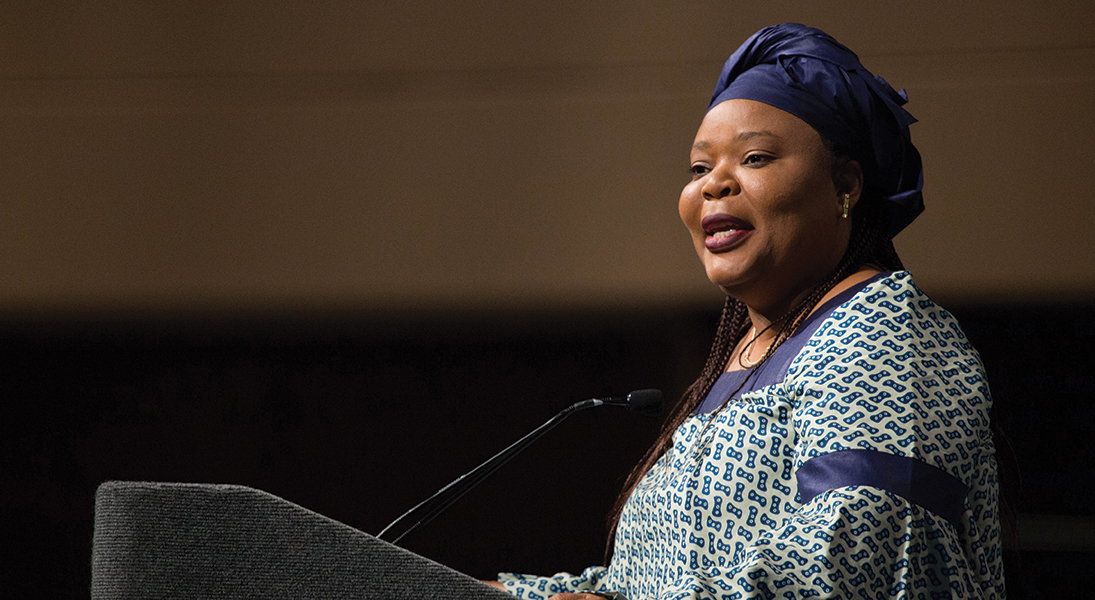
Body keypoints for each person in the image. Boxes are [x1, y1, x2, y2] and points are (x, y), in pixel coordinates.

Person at [488, 23, 1005, 599]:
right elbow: (642, 584)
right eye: (698, 169)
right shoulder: (740, 363)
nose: (713, 185)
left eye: (754, 157)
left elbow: (863, 555)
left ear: (847, 184)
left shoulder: (885, 330)